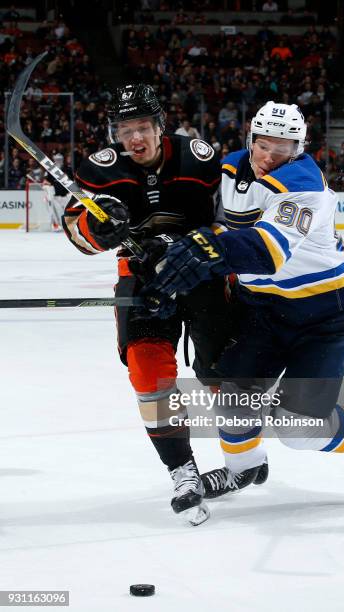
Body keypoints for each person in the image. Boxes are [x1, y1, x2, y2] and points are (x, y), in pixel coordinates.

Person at [142, 101, 344, 498]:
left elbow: (268, 251)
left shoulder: (303, 183)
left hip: (327, 314)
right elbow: (195, 208)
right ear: (250, 139)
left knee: (298, 429)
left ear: (300, 148)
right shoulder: (231, 167)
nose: (269, 156)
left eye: (283, 148)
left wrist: (207, 249)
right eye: (263, 145)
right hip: (264, 307)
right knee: (231, 393)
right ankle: (243, 468)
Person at [61, 83, 232, 525]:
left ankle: (246, 456)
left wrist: (179, 243)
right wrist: (97, 229)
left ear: (160, 126)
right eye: (124, 129)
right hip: (140, 276)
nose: (134, 139)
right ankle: (183, 471)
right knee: (148, 370)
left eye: (141, 127)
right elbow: (75, 231)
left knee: (226, 374)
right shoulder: (100, 172)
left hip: (201, 271)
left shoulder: (199, 157)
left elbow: (227, 222)